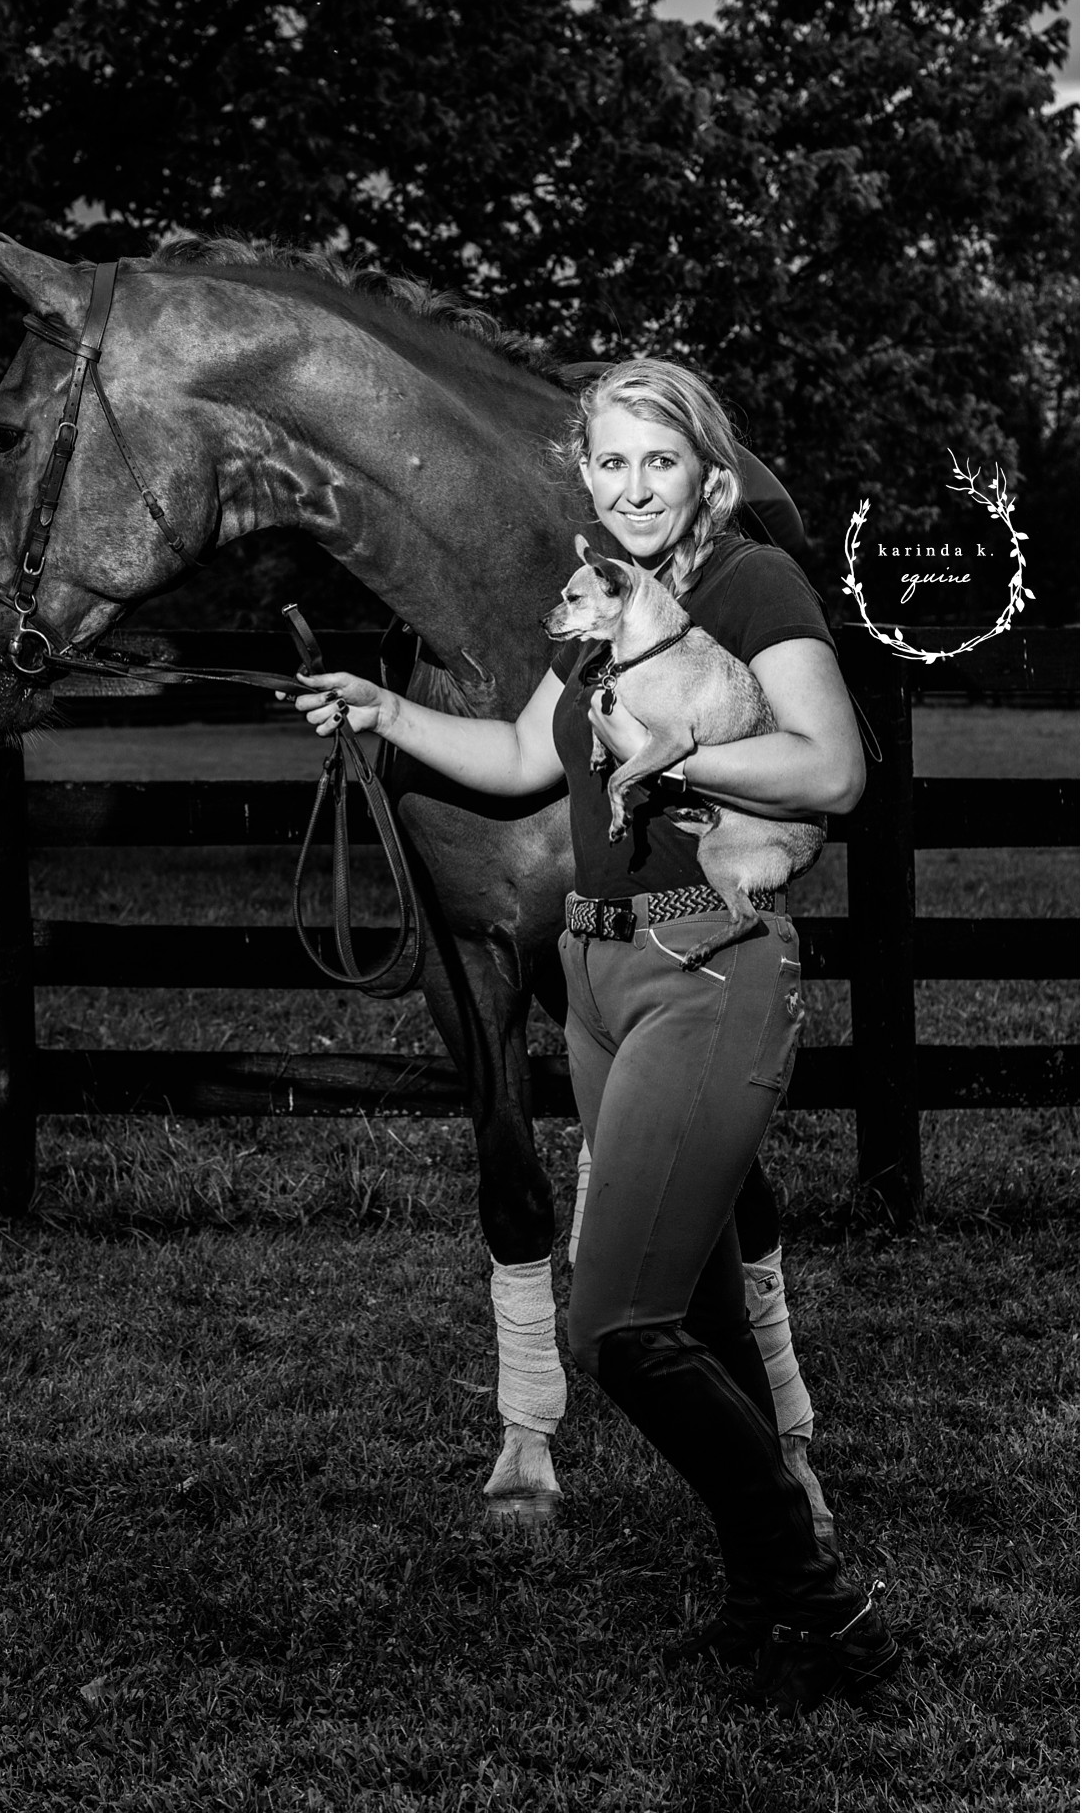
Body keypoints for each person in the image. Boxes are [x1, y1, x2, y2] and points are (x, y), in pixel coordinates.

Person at [289, 358, 900, 1714]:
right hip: (596, 967)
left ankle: (825, 1604)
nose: (631, 488)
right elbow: (521, 765)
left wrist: (671, 757)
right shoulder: (587, 620)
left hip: (702, 954)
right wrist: (382, 712)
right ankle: (761, 1606)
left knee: (619, 1326)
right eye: (608, 463)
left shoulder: (747, 588)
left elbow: (831, 766)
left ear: (705, 474)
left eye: (657, 462)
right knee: (681, 1301)